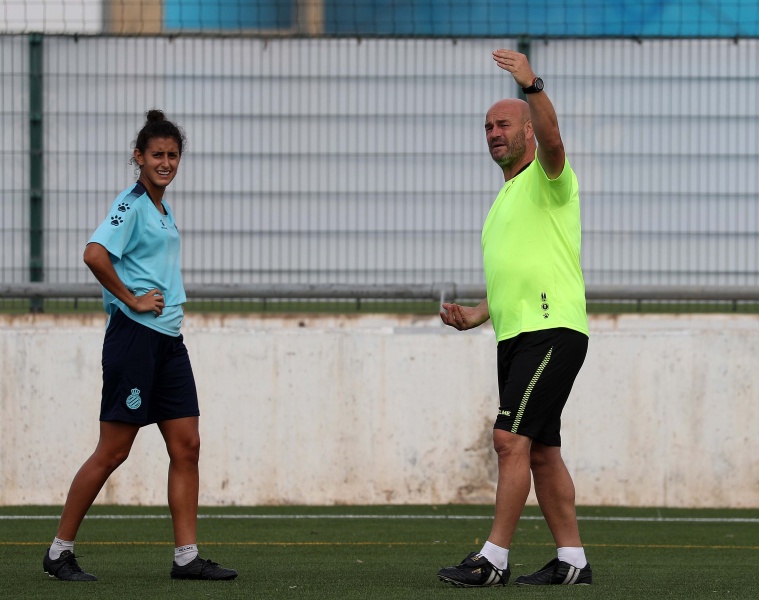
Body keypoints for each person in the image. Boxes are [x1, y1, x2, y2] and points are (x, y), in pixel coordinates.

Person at [42, 109, 237, 582]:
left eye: (173, 155)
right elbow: (94, 253)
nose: (165, 162)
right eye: (157, 155)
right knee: (113, 451)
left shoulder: (162, 209)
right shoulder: (130, 204)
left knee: (187, 446)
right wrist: (130, 298)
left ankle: (187, 558)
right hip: (135, 341)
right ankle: (58, 552)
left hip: (170, 342)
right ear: (139, 157)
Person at [437, 50, 592, 587]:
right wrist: (477, 314)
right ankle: (572, 560)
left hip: (552, 331)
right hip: (518, 334)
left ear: (526, 129)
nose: (493, 133)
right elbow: (516, 281)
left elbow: (554, 139)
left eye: (503, 123)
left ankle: (493, 560)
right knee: (542, 451)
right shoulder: (503, 199)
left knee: (508, 440)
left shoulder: (550, 177)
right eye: (487, 126)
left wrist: (532, 84)